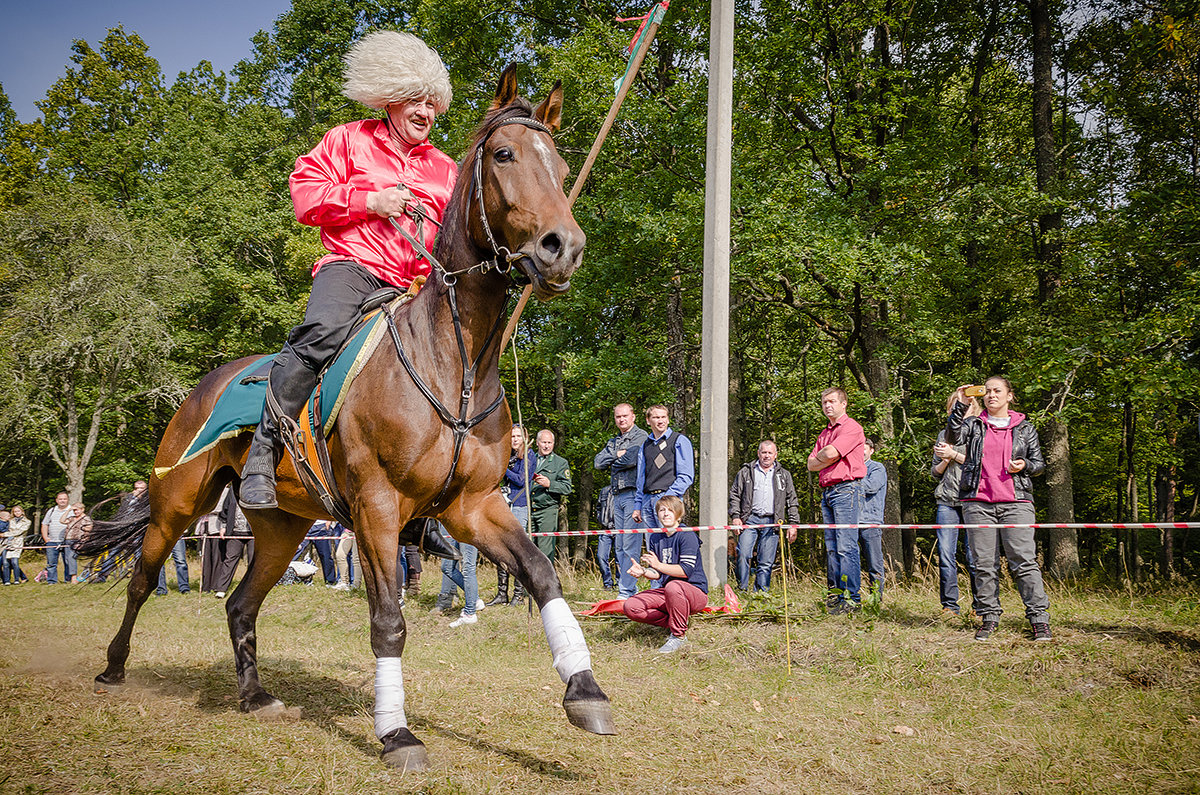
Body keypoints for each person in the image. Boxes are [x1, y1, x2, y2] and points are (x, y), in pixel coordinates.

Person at [233, 30, 455, 560]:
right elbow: (305, 195)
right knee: (319, 337)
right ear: (390, 99)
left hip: (414, 286)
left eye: (433, 101)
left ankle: (423, 509)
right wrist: (370, 198)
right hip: (353, 268)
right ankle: (263, 453)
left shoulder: (444, 169)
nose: (425, 110)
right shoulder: (347, 140)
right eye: (415, 99)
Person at [947, 378, 1051, 642]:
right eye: (988, 391)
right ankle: (989, 617)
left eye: (997, 391)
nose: (992, 395)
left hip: (1016, 502)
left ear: (1010, 396)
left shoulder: (1025, 429)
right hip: (977, 502)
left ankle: (1039, 619)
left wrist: (1024, 464)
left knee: (1024, 561)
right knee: (983, 564)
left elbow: (1039, 465)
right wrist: (961, 405)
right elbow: (952, 437)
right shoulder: (973, 424)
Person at [623, 496, 708, 654]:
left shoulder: (686, 535)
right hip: (668, 591)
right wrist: (643, 571)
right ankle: (676, 621)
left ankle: (678, 636)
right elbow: (657, 573)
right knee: (631, 606)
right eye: (662, 510)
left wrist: (659, 565)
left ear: (679, 515)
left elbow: (685, 571)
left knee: (673, 586)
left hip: (694, 591)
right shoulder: (656, 537)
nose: (666, 514)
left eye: (670, 510)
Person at [807, 387, 866, 613]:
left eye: (832, 401)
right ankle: (837, 595)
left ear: (844, 404)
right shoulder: (825, 433)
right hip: (828, 492)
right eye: (824, 402)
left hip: (846, 490)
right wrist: (826, 457)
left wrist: (826, 457)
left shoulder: (852, 428)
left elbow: (829, 454)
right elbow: (811, 464)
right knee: (832, 547)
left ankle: (852, 598)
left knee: (846, 546)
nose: (827, 405)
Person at [931, 391, 981, 618]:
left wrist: (955, 454)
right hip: (946, 501)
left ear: (974, 407)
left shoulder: (981, 430)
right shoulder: (944, 433)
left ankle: (979, 607)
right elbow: (935, 473)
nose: (957, 409)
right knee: (945, 555)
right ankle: (949, 606)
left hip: (974, 500)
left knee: (974, 557)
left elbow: (983, 465)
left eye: (962, 406)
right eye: (953, 406)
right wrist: (944, 460)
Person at [728, 440, 801, 592]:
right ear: (758, 453)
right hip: (750, 519)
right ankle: (741, 590)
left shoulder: (784, 475)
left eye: (770, 453)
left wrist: (793, 524)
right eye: (764, 452)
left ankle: (760, 593)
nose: (766, 456)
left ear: (776, 455)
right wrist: (735, 516)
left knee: (766, 561)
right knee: (743, 554)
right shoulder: (746, 471)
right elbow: (735, 495)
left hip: (773, 521)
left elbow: (791, 500)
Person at [593, 403, 649, 597]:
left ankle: (627, 590)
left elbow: (632, 460)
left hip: (633, 494)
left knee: (630, 544)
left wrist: (614, 462)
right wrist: (616, 455)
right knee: (619, 545)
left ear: (633, 416)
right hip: (616, 496)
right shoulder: (614, 441)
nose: (622, 419)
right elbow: (598, 462)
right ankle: (625, 588)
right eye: (618, 417)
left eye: (625, 416)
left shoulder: (641, 436)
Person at [489, 425, 536, 606]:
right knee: (501, 550)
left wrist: (502, 468)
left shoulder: (529, 456)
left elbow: (521, 479)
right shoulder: (507, 456)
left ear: (524, 437)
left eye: (518, 436)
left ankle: (518, 594)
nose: (515, 439)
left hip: (520, 505)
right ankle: (502, 592)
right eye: (512, 436)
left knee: (517, 550)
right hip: (504, 505)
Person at [632, 405, 695, 530]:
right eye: (656, 417)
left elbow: (686, 476)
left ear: (668, 419)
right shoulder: (645, 445)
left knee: (669, 543)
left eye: (663, 417)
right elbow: (641, 478)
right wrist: (637, 505)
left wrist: (667, 497)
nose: (660, 421)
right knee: (653, 546)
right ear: (648, 420)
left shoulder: (679, 440)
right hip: (646, 501)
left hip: (669, 499)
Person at [530, 429, 573, 563]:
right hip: (528, 509)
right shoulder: (529, 459)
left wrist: (550, 484)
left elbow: (567, 487)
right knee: (527, 549)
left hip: (547, 510)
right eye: (544, 442)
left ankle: (546, 583)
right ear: (537, 443)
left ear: (553, 444)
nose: (547, 446)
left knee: (545, 550)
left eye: (549, 442)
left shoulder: (560, 463)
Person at [433, 523, 484, 627]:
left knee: (468, 568)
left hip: (466, 523)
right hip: (449, 523)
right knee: (446, 567)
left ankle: (469, 613)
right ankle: (475, 600)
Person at [209, 487, 255, 598]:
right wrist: (223, 527)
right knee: (229, 560)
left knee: (253, 561)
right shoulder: (233, 490)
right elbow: (225, 510)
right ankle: (221, 589)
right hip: (234, 532)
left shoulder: (256, 488)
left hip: (253, 532)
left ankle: (251, 589)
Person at [858, 438, 887, 601]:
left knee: (874, 562)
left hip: (871, 521)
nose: (861, 452)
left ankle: (876, 598)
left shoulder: (877, 468)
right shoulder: (851, 468)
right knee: (851, 561)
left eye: (864, 449)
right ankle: (851, 597)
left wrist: (852, 480)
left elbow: (871, 487)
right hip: (852, 521)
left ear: (871, 451)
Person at [41, 492, 75, 584]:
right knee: (51, 563)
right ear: (56, 500)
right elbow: (44, 524)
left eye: (64, 499)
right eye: (60, 499)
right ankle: (52, 581)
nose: (62, 501)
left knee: (68, 562)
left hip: (67, 540)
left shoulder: (72, 511)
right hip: (52, 541)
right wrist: (45, 538)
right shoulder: (51, 510)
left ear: (67, 500)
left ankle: (68, 580)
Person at [2, 506, 30, 584]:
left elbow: (19, 532)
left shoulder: (27, 522)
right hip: (8, 542)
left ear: (22, 511)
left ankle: (16, 579)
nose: (17, 513)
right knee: (6, 562)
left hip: (18, 542)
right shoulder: (10, 521)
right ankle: (7, 580)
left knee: (14, 562)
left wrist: (4, 534)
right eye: (15, 511)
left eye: (18, 511)